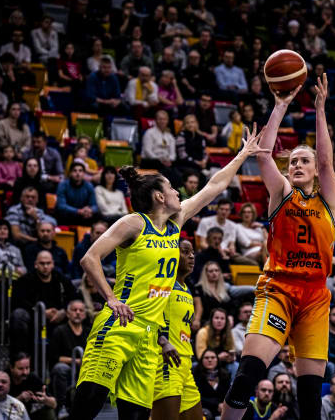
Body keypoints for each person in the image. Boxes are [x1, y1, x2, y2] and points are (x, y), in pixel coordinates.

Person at [71, 127, 269, 419]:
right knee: (89, 401)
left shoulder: (175, 223)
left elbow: (214, 186)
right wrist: (111, 299)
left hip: (150, 337)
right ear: (159, 197)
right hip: (120, 326)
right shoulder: (134, 223)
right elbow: (89, 258)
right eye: (172, 189)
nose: (178, 192)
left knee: (136, 415)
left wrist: (242, 155)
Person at [221, 75, 335, 420]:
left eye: (304, 161)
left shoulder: (329, 200)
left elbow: (327, 163)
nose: (297, 165)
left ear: (315, 171)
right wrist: (281, 105)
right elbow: (263, 157)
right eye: (293, 162)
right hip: (278, 288)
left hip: (315, 297)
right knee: (247, 377)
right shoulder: (282, 194)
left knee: (310, 401)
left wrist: (320, 109)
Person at [152, 239, 204, 420]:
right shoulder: (162, 283)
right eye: (185, 251)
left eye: (192, 252)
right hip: (166, 362)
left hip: (185, 364)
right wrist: (162, 341)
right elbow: (146, 316)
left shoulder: (187, 288)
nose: (191, 256)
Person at [10, 251, 77, 355]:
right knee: (18, 315)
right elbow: (17, 301)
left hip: (58, 317)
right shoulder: (25, 280)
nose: (45, 266)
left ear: (53, 264)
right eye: (42, 263)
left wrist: (64, 311)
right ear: (35, 264)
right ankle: (21, 357)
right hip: (33, 318)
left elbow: (74, 297)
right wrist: (41, 312)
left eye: (48, 263)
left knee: (79, 311)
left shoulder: (61, 279)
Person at [48, 300, 89, 416]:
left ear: (85, 314)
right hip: (67, 369)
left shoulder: (89, 331)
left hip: (85, 368)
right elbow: (54, 357)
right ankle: (62, 407)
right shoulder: (59, 331)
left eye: (81, 310)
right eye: (74, 310)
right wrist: (76, 361)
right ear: (67, 313)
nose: (78, 313)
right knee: (60, 368)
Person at [8, 353, 57, 420]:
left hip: (28, 415)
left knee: (49, 410)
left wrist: (45, 400)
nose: (25, 372)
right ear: (11, 368)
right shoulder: (3, 380)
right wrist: (19, 399)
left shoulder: (32, 378)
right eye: (20, 369)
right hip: (10, 416)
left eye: (27, 368)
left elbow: (54, 404)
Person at [194, 308, 239, 379]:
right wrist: (218, 357)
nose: (219, 321)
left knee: (235, 366)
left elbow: (232, 351)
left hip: (223, 364)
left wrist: (231, 357)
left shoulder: (229, 333)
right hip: (206, 363)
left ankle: (232, 386)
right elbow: (200, 356)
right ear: (211, 320)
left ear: (226, 321)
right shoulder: (203, 332)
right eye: (216, 318)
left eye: (222, 318)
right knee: (194, 365)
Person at [194, 349, 231, 419]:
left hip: (223, 408)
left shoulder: (225, 375)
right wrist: (217, 404)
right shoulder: (196, 375)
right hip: (205, 409)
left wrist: (224, 405)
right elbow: (198, 397)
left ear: (217, 360)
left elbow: (228, 394)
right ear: (202, 360)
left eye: (213, 357)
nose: (210, 360)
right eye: (206, 358)